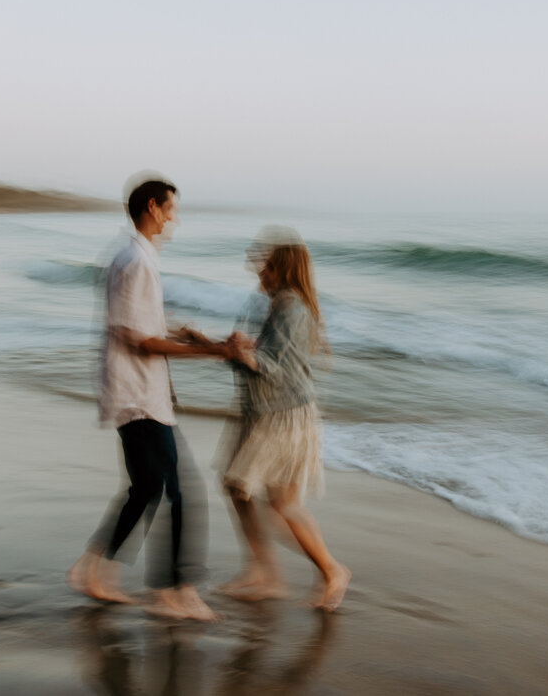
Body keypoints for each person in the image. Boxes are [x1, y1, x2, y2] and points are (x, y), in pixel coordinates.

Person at [67, 176, 230, 622]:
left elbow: (137, 325)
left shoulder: (132, 256)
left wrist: (187, 334)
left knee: (145, 490)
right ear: (154, 208)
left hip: (133, 391)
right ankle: (175, 590)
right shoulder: (138, 260)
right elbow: (140, 341)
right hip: (138, 395)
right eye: (171, 207)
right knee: (181, 491)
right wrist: (211, 351)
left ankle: (91, 570)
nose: (174, 217)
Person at [218, 228, 351, 612]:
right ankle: (264, 573)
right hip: (267, 413)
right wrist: (230, 348)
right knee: (243, 490)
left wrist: (242, 353)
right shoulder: (279, 304)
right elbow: (268, 358)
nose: (258, 271)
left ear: (281, 269)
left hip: (285, 417)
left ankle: (330, 571)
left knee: (277, 502)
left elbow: (277, 369)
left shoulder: (292, 308)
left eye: (265, 265)